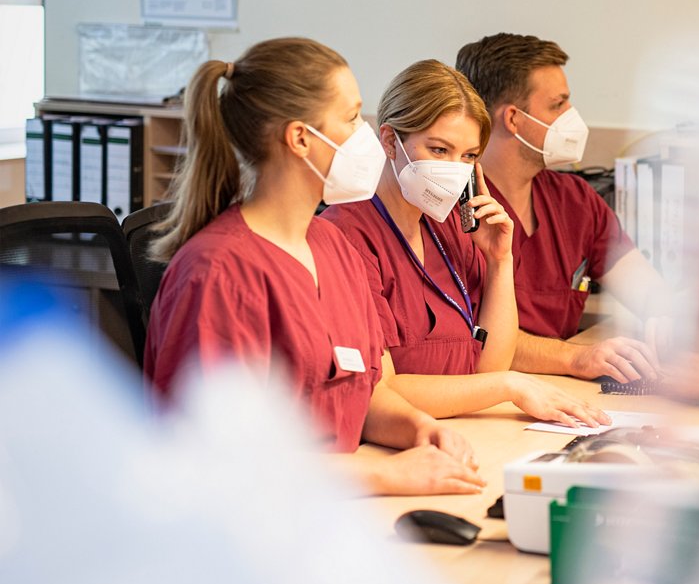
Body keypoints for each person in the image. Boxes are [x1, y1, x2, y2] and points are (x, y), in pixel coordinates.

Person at [145, 38, 486, 497]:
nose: (366, 135)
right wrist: (384, 475)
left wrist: (421, 429)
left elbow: (362, 390)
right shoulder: (218, 272)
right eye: (350, 119)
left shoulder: (330, 244)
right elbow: (216, 458)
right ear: (300, 137)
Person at [320, 60, 610, 427]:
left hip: (470, 428)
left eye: (469, 156)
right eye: (440, 150)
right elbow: (382, 390)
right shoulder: (347, 237)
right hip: (405, 442)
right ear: (391, 142)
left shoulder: (451, 231)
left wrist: (499, 261)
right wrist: (508, 386)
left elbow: (490, 364)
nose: (455, 168)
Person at [455, 33, 670, 383]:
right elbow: (472, 337)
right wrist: (576, 357)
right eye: (558, 105)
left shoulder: (576, 200)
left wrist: (666, 317)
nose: (572, 117)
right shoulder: (458, 210)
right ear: (513, 119)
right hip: (492, 393)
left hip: (561, 392)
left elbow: (645, 288)